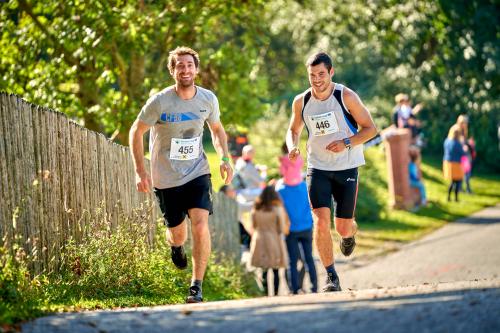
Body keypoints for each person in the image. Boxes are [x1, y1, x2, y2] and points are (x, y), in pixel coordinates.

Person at [129, 46, 233, 303]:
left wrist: (224, 158)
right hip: (165, 177)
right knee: (178, 234)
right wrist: (139, 171)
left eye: (189, 65)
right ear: (172, 71)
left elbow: (218, 130)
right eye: (179, 65)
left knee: (200, 225)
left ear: (196, 69)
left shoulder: (208, 99)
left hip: (197, 171)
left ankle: (196, 285)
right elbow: (136, 132)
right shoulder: (160, 102)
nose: (185, 69)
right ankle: (176, 247)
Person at [286, 52, 377, 292]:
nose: (316, 80)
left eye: (321, 74)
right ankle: (331, 276)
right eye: (312, 75)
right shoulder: (302, 101)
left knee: (343, 227)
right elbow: (293, 129)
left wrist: (346, 142)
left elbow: (370, 129)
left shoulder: (345, 96)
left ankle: (350, 234)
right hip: (317, 168)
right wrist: (292, 146)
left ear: (331, 72)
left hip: (346, 166)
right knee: (320, 221)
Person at [276, 175, 318, 294]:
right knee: (309, 259)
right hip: (306, 226)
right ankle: (314, 287)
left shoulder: (280, 190)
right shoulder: (306, 186)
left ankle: (294, 289)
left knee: (292, 261)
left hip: (290, 229)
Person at [249, 186, 288, 296]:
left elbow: (253, 225)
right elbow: (281, 227)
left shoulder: (256, 209)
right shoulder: (277, 209)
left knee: (263, 268)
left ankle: (265, 293)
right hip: (273, 238)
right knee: (275, 268)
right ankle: (275, 294)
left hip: (259, 239)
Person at [443, 125, 465, 202]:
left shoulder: (447, 141)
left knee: (452, 181)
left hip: (448, 163)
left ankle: (449, 197)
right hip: (456, 164)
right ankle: (455, 198)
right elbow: (462, 153)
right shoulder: (457, 143)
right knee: (457, 182)